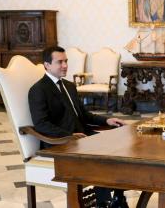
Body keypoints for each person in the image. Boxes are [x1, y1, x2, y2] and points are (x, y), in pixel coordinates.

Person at [28, 46, 128, 208]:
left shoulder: (69, 86)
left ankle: (116, 198)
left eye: (66, 61)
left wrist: (106, 121)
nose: (65, 65)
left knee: (118, 147)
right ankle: (104, 202)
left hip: (81, 137)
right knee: (101, 155)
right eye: (59, 62)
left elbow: (84, 115)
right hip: (58, 143)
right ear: (47, 65)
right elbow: (41, 124)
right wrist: (70, 135)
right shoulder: (38, 90)